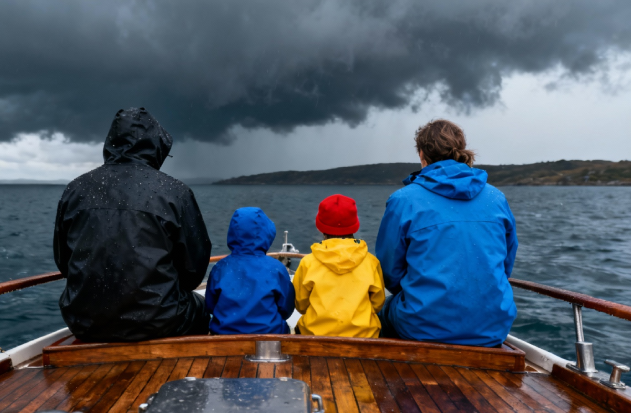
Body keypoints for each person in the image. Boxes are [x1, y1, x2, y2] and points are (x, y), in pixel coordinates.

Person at [53, 107, 212, 342]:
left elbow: (63, 261)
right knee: (203, 308)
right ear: (156, 147)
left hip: (84, 321)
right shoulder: (175, 192)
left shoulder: (75, 189)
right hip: (160, 321)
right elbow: (193, 270)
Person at [376, 119, 518, 347]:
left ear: (422, 154)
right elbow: (505, 265)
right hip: (492, 327)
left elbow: (390, 274)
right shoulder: (497, 198)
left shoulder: (403, 200)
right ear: (460, 150)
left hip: (422, 326)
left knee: (378, 312)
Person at [293, 194, 385, 338]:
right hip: (364, 336)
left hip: (314, 335)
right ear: (355, 225)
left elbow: (301, 305)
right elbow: (377, 304)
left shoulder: (308, 263)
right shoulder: (371, 262)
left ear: (320, 227)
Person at [205, 207, 295, 334]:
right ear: (266, 233)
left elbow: (210, 305)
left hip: (224, 337)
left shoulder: (220, 267)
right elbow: (286, 308)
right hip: (269, 338)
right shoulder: (276, 268)